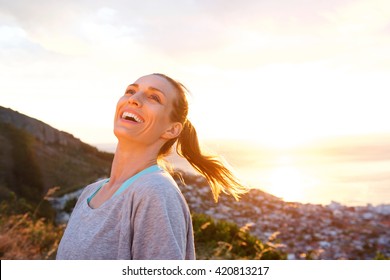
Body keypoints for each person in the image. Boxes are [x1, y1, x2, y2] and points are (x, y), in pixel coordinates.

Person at [56, 73, 248, 260]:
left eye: (154, 97)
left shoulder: (155, 193)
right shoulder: (90, 192)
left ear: (171, 129)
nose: (134, 99)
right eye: (131, 91)